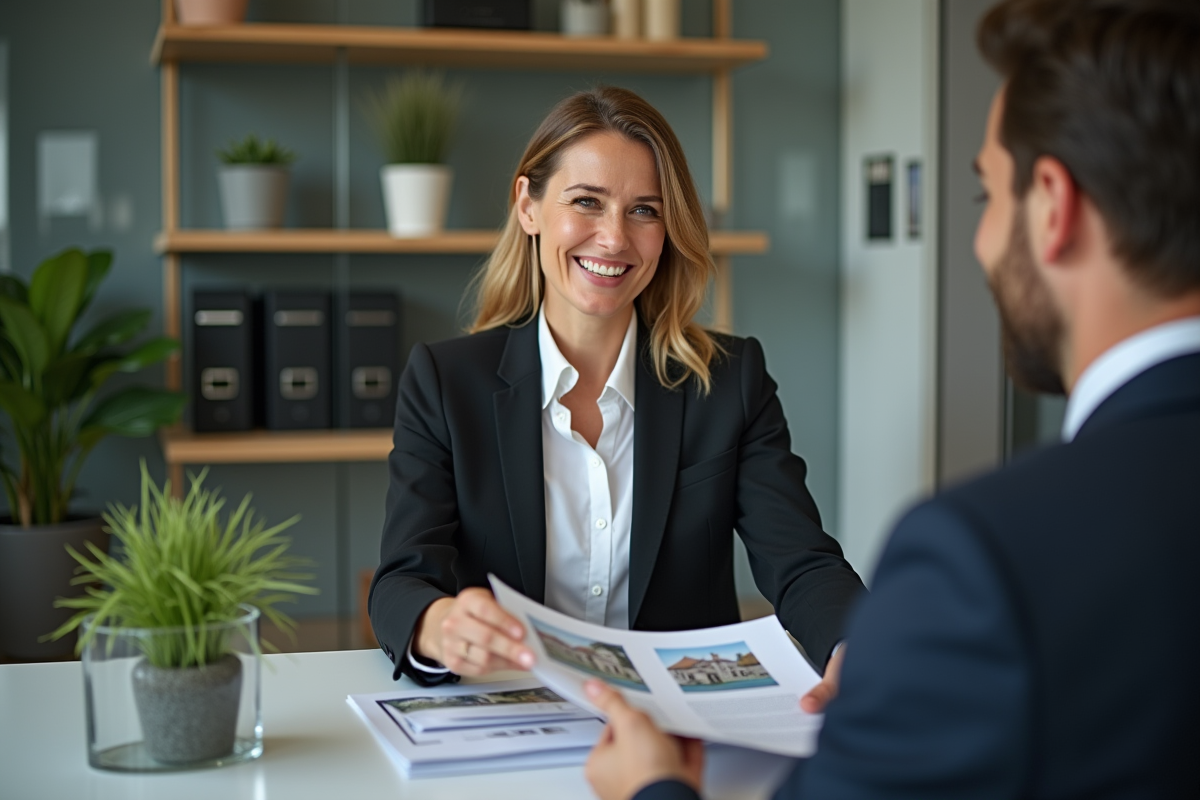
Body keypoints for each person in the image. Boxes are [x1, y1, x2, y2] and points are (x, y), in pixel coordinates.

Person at [582, 1, 1200, 798]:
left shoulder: (982, 560)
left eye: (988, 199)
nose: (981, 243)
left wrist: (652, 787)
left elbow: (799, 557)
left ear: (1053, 206)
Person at [368, 86, 865, 707]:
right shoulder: (445, 382)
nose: (613, 239)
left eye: (644, 211)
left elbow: (802, 561)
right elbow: (402, 580)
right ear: (528, 206)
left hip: (682, 725)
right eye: (586, 202)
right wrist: (438, 627)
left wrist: (857, 647)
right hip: (512, 713)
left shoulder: (731, 380)